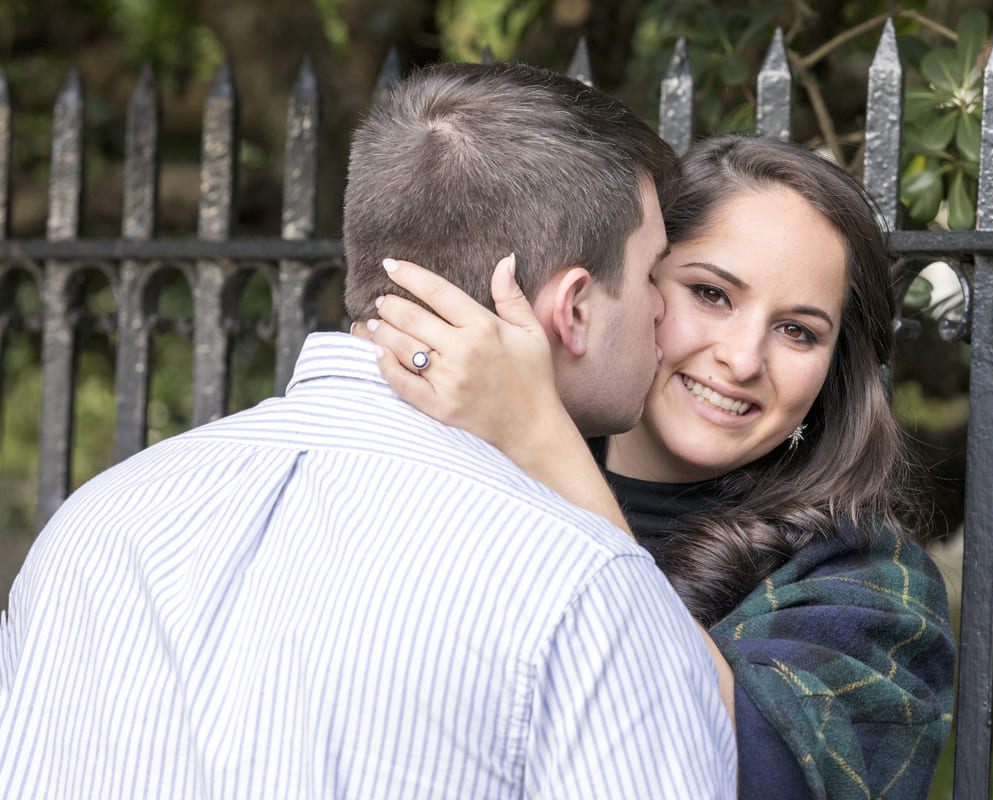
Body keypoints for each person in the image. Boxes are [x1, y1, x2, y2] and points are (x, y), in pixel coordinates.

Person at [0, 63, 738, 798]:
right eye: (651, 275)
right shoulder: (586, 588)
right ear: (573, 307)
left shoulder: (95, 524)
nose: (664, 314)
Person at [368, 134, 957, 798]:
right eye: (711, 293)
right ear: (635, 288)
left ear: (833, 371)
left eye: (798, 331)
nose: (742, 359)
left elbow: (761, 779)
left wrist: (544, 442)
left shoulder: (868, 585)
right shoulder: (476, 484)